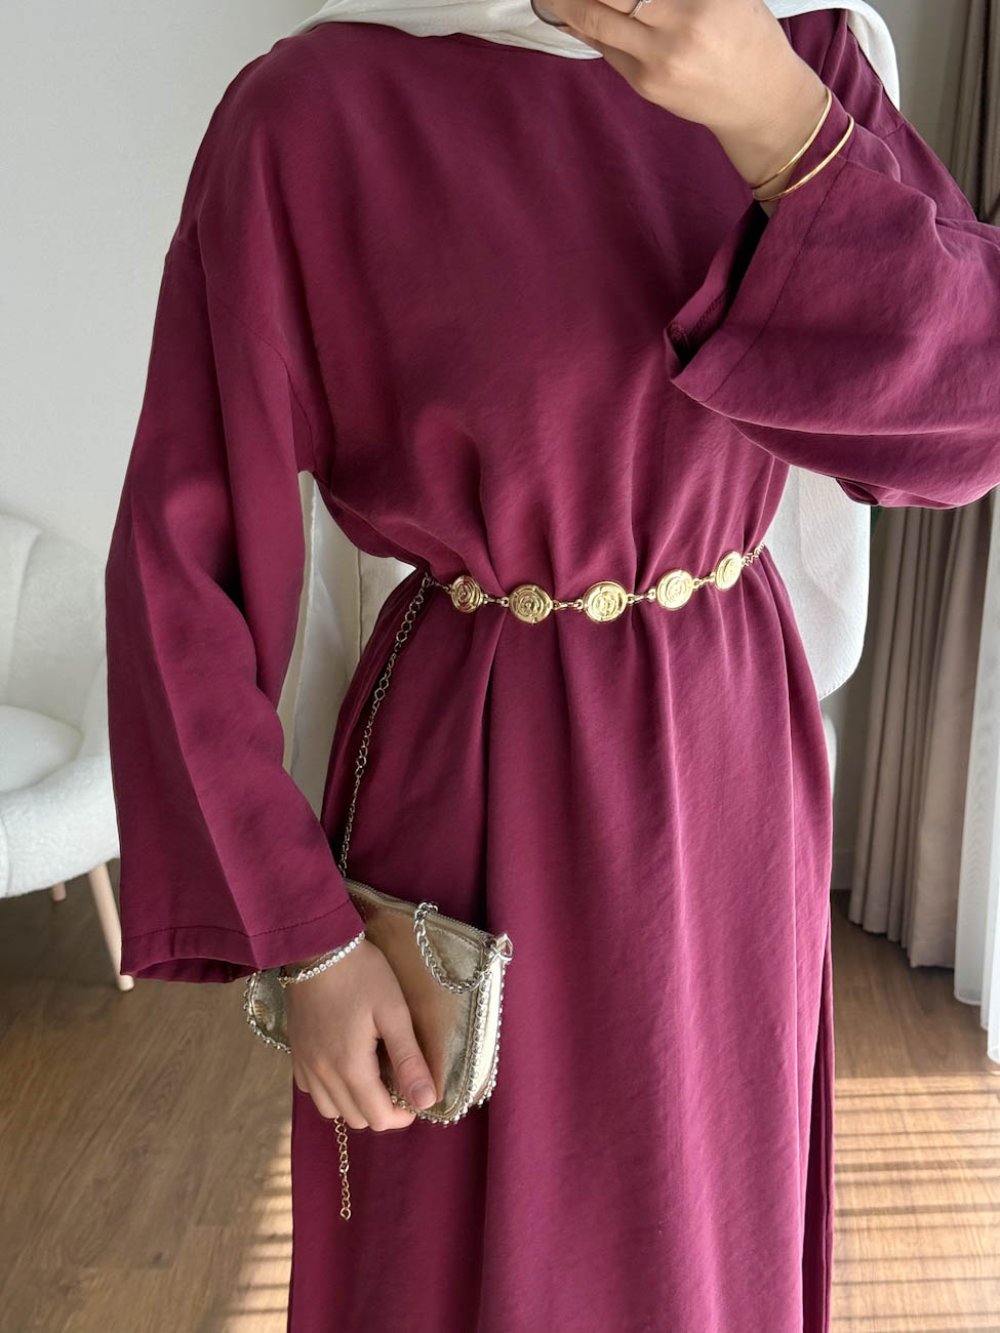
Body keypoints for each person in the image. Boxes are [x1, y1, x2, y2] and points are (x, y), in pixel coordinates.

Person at [103, 0, 1000, 1327]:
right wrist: (305, 942)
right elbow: (183, 568)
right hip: (473, 781)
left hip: (731, 778)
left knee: (710, 1235)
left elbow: (968, 418)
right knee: (456, 1255)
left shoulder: (804, 56)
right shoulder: (317, 109)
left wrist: (780, 126)